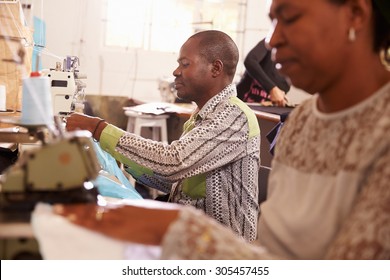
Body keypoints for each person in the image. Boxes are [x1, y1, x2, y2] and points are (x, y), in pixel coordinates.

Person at [33, 0, 390, 260]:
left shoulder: (234, 117)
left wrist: (179, 230)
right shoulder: (303, 122)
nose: (271, 41)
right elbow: (278, 251)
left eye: (290, 18)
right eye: (271, 22)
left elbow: (174, 163)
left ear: (355, 14)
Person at [64, 30, 261, 242]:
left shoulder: (234, 116)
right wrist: (116, 160)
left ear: (215, 68)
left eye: (185, 64)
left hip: (223, 248)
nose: (176, 72)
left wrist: (100, 129)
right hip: (193, 235)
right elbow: (173, 182)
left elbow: (174, 161)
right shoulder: (202, 117)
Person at [236, 38, 291, 107]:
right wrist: (272, 89)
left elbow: (274, 100)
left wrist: (275, 103)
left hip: (259, 113)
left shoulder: (289, 80)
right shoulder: (271, 42)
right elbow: (250, 61)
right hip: (237, 106)